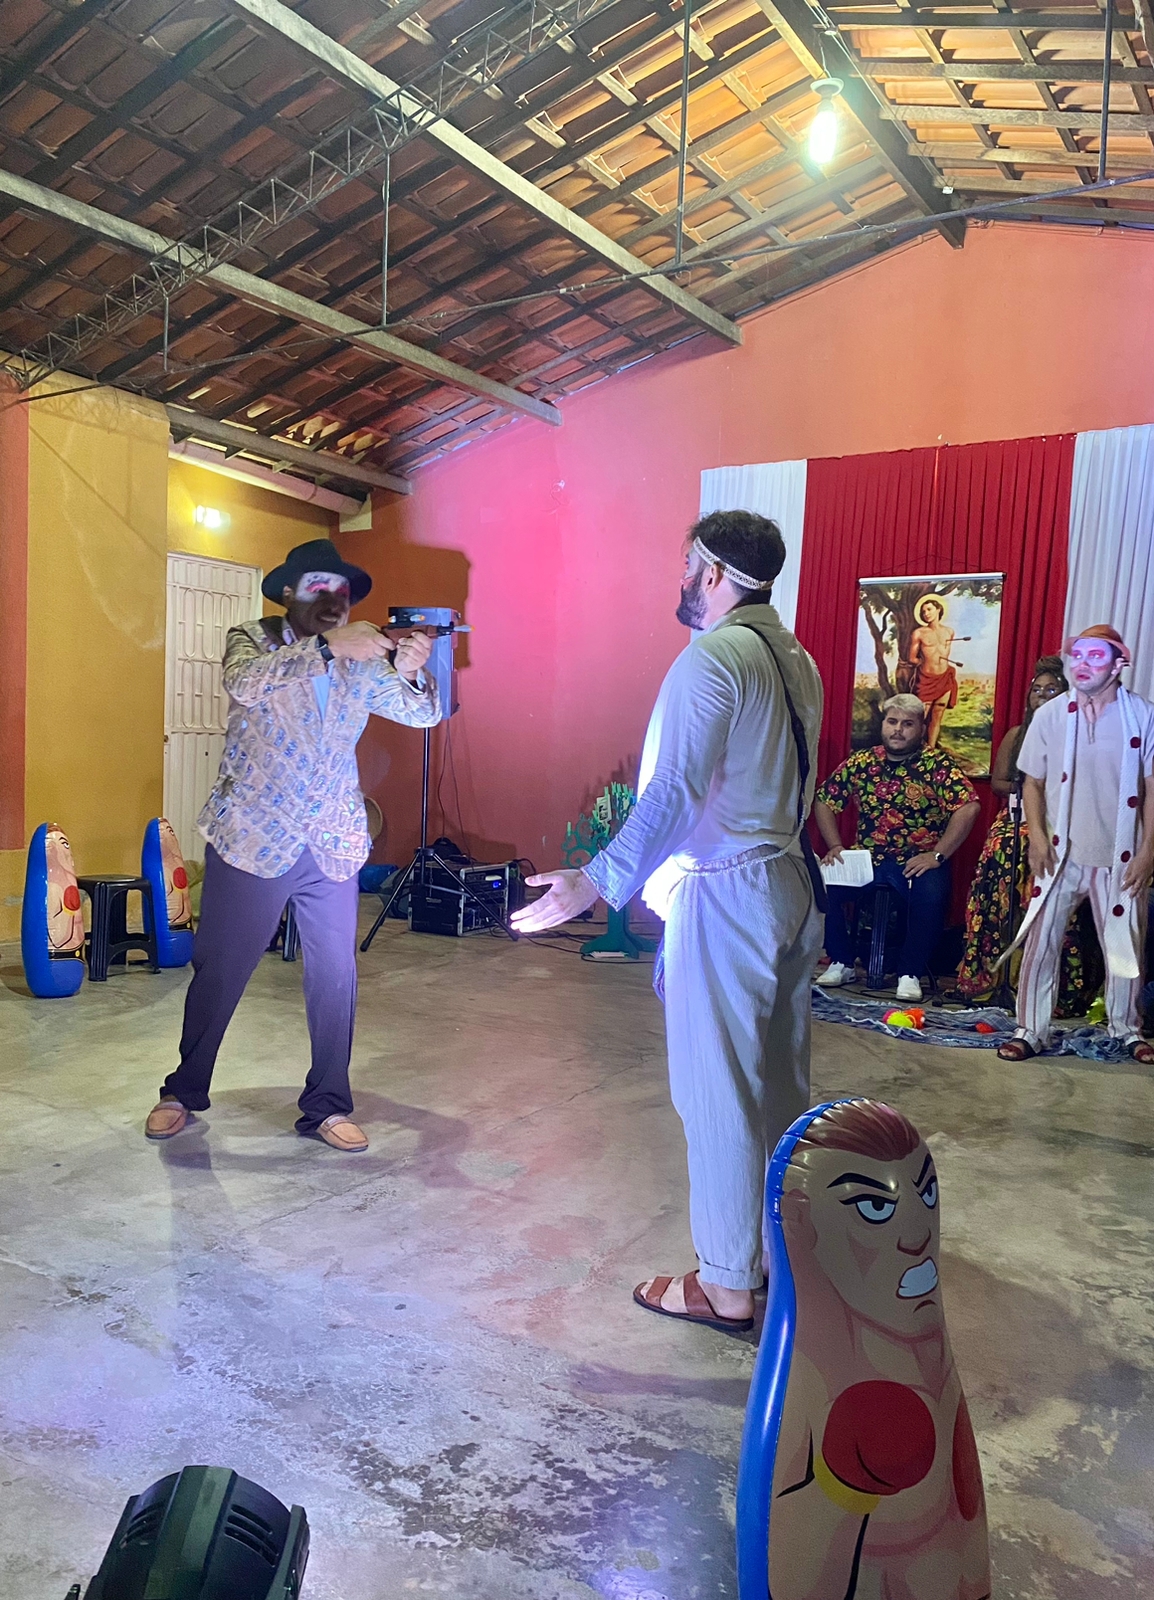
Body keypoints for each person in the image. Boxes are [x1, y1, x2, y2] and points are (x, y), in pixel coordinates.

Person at [511, 510, 824, 1334]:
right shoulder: (798, 659)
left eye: (688, 563)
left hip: (729, 891)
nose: (681, 577)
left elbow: (675, 792)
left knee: (716, 1091)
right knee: (778, 1088)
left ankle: (726, 1285)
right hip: (789, 885)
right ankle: (775, 1256)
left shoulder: (712, 657)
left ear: (713, 572)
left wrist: (597, 880)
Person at [144, 538, 438, 1150]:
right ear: (287, 592)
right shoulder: (252, 639)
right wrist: (329, 648)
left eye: (343, 591)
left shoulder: (363, 660)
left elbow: (422, 716)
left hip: (332, 841)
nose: (334, 600)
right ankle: (183, 1090)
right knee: (221, 970)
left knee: (335, 976)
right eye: (318, 587)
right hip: (252, 837)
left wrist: (412, 673)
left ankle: (327, 1105)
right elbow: (244, 684)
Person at [997, 625, 1154, 1064]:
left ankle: (1127, 1029)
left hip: (1120, 853)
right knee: (1041, 942)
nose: (1082, 665)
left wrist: (1148, 852)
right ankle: (1031, 1029)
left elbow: (1152, 787)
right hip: (1060, 852)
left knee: (1124, 946)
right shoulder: (1051, 715)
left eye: (1095, 656)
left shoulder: (1143, 715)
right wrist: (1037, 837)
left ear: (1119, 664)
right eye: (1077, 655)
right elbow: (1032, 782)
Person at [813, 695, 980, 1002]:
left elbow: (968, 806)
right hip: (867, 857)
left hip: (917, 859)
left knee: (931, 894)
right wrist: (835, 845)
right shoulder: (862, 761)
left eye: (907, 724)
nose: (898, 730)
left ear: (921, 728)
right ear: (883, 724)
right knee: (825, 881)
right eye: (892, 722)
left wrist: (938, 854)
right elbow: (824, 800)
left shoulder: (937, 764)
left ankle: (909, 973)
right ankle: (842, 961)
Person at [957, 657, 1102, 1010]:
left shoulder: (1083, 736)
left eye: (1051, 690)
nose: (1042, 695)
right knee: (1004, 852)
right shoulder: (1016, 735)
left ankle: (1048, 989)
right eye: (1037, 690)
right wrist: (1029, 786)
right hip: (1015, 822)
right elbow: (998, 783)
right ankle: (995, 980)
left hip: (1060, 827)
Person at [908, 595, 967, 747]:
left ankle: (931, 750)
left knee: (937, 715)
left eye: (929, 609)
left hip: (945, 677)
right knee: (920, 717)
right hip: (926, 679)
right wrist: (924, 663)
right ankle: (914, 750)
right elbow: (912, 658)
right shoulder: (919, 633)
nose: (926, 614)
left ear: (938, 610)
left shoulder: (949, 632)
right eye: (923, 611)